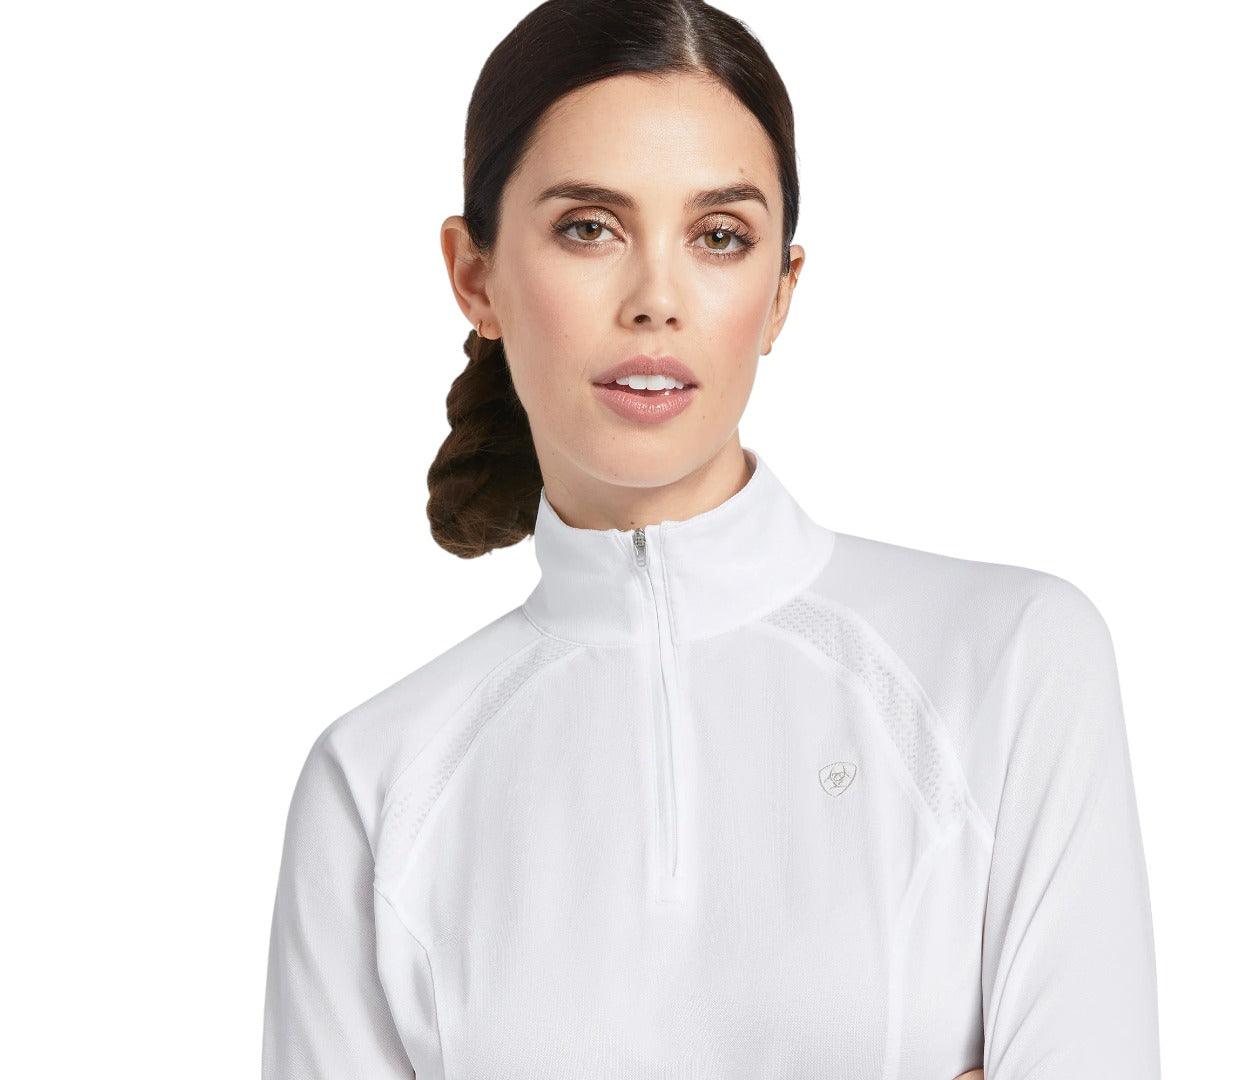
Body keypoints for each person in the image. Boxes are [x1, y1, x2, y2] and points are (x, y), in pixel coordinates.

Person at [260, 1, 1161, 1077]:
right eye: (589, 227)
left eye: (719, 236)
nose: (657, 301)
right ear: (475, 275)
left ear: (780, 292)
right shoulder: (374, 784)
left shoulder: (1008, 661)